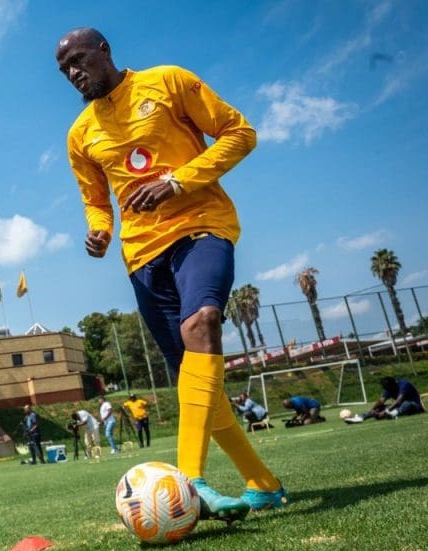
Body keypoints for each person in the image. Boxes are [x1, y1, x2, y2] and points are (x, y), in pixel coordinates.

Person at [57, 27, 287, 521]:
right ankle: (262, 484)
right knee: (195, 378)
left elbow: (240, 133)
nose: (74, 73)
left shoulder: (168, 82)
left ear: (105, 51)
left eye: (79, 60)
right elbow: (96, 202)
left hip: (202, 227)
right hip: (142, 259)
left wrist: (177, 181)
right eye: (65, 70)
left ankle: (189, 482)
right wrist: (99, 232)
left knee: (202, 321)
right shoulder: (80, 135)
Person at [346, 377, 425, 423]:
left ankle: (391, 414)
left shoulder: (404, 384)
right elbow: (381, 401)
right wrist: (373, 410)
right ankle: (361, 418)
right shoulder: (389, 388)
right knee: (379, 407)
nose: (386, 390)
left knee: (407, 403)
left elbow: (398, 401)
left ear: (393, 385)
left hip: (415, 407)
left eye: (387, 388)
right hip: (399, 407)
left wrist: (386, 411)